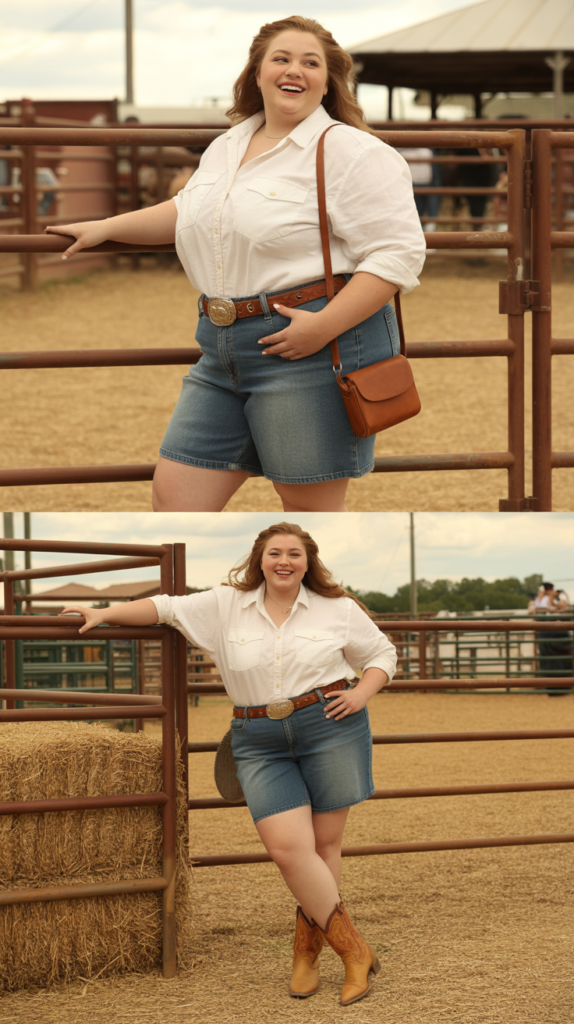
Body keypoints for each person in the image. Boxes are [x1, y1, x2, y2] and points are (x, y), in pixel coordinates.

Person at [44, 16, 425, 514]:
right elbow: (190, 210)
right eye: (281, 59)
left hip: (306, 344)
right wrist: (107, 226)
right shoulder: (228, 145)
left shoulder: (351, 152)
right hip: (219, 348)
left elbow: (399, 253)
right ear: (258, 72)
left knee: (310, 510)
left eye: (311, 63)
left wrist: (322, 327)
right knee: (174, 498)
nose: (295, 70)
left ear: (328, 82)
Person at [62, 522, 397, 1005]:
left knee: (324, 847)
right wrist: (105, 611)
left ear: (309, 561)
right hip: (258, 738)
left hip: (329, 725)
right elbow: (165, 607)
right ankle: (355, 950)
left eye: (295, 554)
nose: (285, 561)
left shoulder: (338, 609)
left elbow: (382, 653)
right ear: (259, 559)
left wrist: (363, 692)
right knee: (287, 849)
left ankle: (307, 955)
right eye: (275, 552)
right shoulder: (225, 604)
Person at [528, 583, 572, 696]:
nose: (549, 591)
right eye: (547, 589)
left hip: (557, 633)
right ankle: (554, 687)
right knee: (550, 660)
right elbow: (538, 611)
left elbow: (563, 609)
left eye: (550, 589)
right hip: (548, 633)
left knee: (560, 658)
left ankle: (563, 686)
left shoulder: (555, 600)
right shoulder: (539, 601)